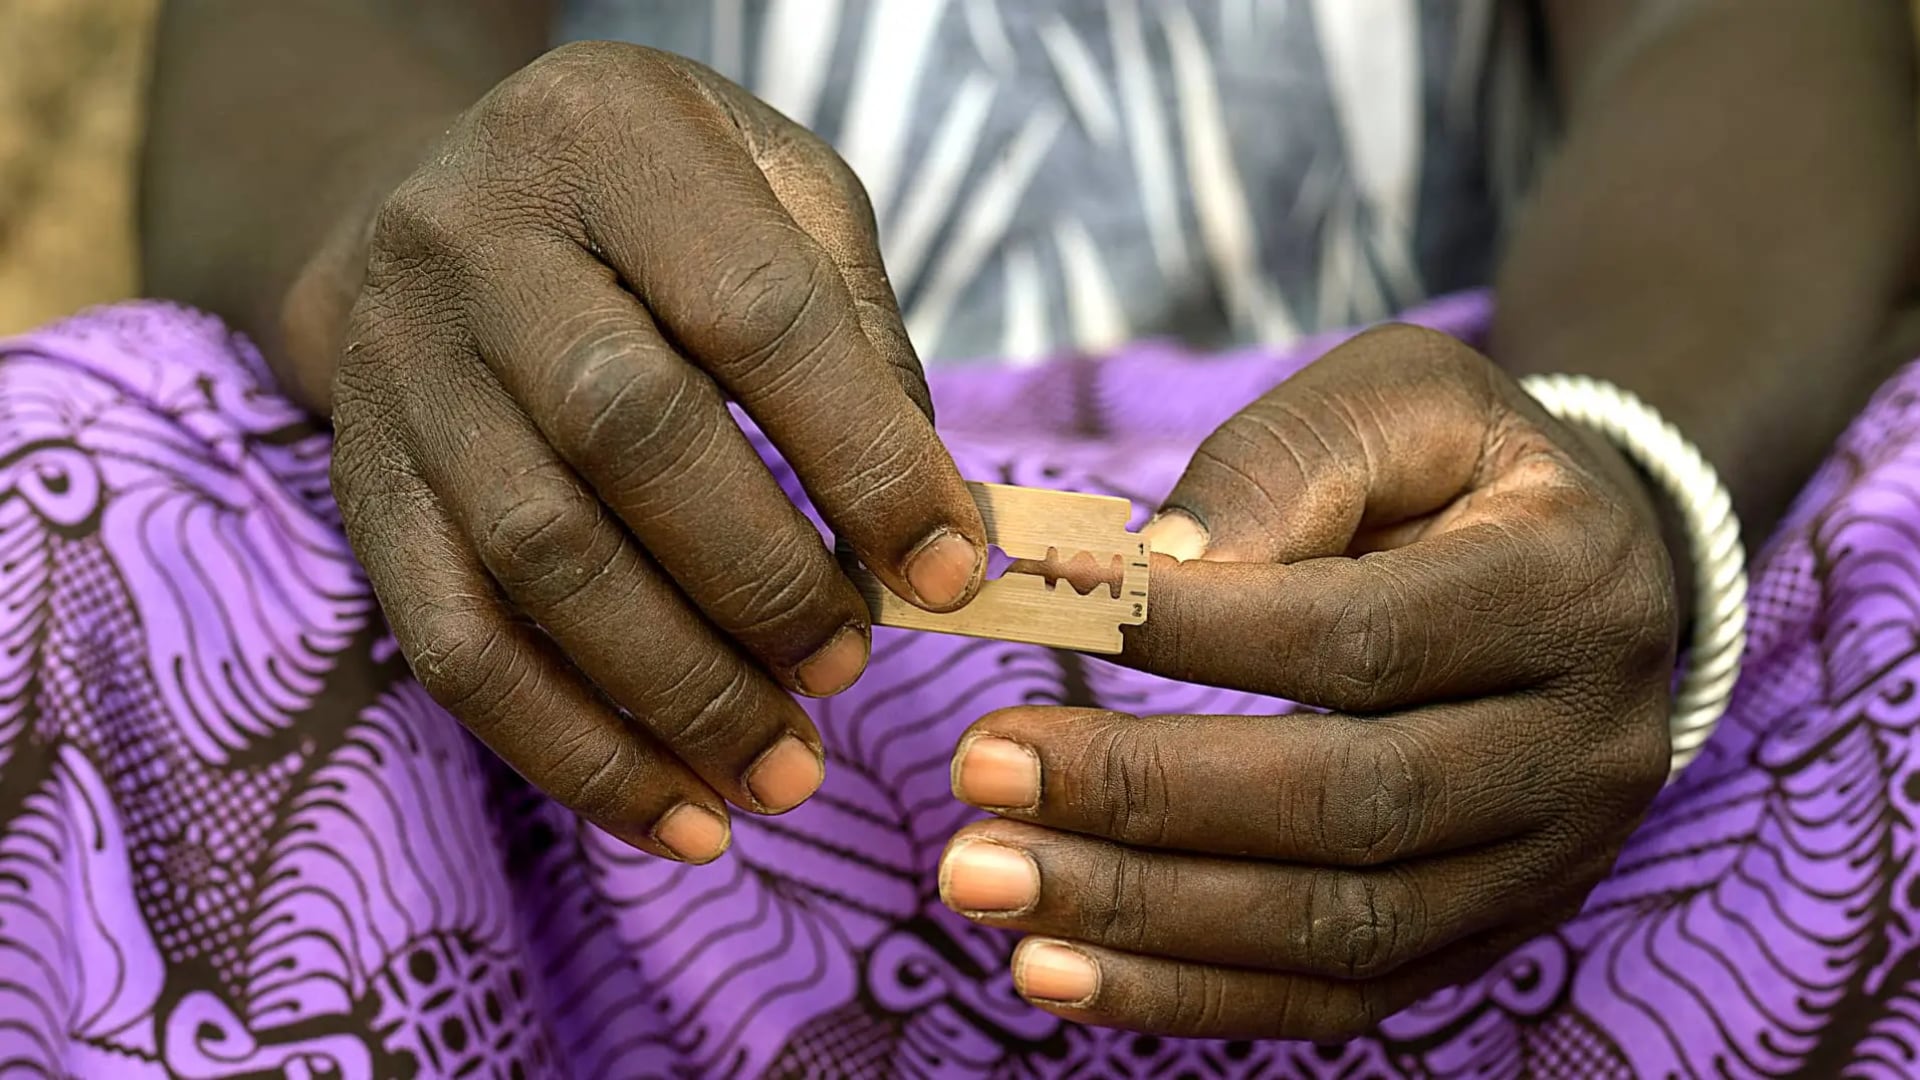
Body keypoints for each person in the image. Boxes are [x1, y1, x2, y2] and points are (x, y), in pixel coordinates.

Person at [2, 0, 1917, 1075]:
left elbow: (1737, 44)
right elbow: (316, 39)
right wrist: (421, 261)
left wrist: (1635, 487)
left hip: (1472, 626)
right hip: (617, 614)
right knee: (77, 477)